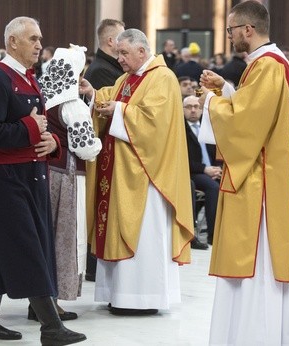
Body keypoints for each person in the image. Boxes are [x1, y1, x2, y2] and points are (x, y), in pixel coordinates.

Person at [0, 16, 86, 345]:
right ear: (12, 42)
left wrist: (52, 142)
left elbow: (41, 125)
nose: (39, 44)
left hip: (27, 175)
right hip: (2, 179)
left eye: (39, 39)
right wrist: (32, 130)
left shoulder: (29, 79)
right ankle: (50, 326)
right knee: (27, 249)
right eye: (32, 39)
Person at [197, 1, 289, 344]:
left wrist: (210, 101)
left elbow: (246, 127)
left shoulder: (267, 66)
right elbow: (257, 113)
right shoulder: (270, 65)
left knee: (260, 269)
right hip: (273, 178)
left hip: (264, 186)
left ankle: (257, 335)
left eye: (231, 30)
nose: (230, 36)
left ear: (247, 30)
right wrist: (227, 90)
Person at [79, 28, 194, 316]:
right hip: (120, 172)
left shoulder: (163, 78)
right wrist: (92, 94)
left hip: (147, 177)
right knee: (117, 228)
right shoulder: (127, 78)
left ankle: (142, 296)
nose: (119, 58)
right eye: (117, 53)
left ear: (142, 51)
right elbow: (110, 96)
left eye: (123, 53)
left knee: (144, 235)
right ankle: (118, 293)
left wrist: (118, 109)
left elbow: (155, 123)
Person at [37, 44, 102, 321]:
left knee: (45, 237)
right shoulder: (72, 104)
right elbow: (85, 147)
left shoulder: (45, 96)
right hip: (66, 177)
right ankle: (53, 302)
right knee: (63, 237)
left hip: (45, 173)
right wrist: (100, 141)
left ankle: (37, 299)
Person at [82, 18, 125, 282]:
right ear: (111, 41)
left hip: (111, 145)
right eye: (122, 37)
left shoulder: (109, 67)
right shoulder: (101, 71)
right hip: (102, 149)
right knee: (99, 204)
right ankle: (93, 264)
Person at [183, 95, 220, 246]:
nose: (193, 110)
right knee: (213, 187)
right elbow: (183, 158)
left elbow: (218, 151)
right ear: (182, 109)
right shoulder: (180, 129)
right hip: (193, 172)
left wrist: (219, 168)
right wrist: (205, 169)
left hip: (213, 170)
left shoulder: (209, 126)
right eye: (189, 107)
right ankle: (213, 235)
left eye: (196, 107)